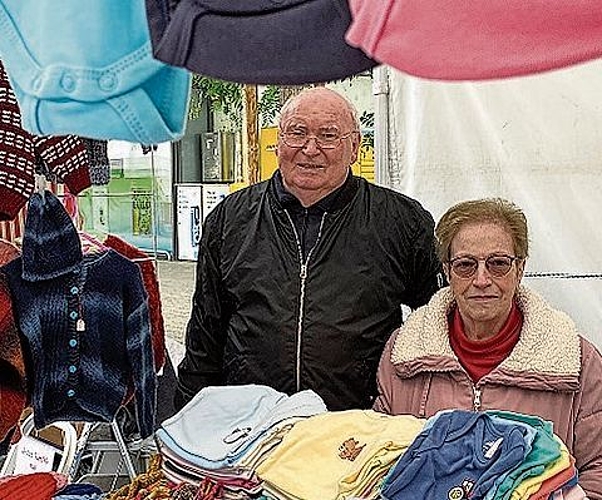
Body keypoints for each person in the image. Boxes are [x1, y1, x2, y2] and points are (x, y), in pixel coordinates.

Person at [175, 87, 444, 411]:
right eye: (297, 132)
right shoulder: (230, 218)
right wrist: (186, 418)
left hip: (357, 428)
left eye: (329, 135)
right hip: (250, 427)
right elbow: (206, 334)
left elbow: (436, 322)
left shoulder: (400, 220)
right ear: (279, 142)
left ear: (355, 146)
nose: (310, 148)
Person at [374, 197, 602, 497]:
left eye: (498, 264)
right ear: (447, 272)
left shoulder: (577, 360)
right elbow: (381, 461)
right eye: (466, 265)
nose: (482, 280)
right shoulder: (404, 353)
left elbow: (597, 467)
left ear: (519, 269)